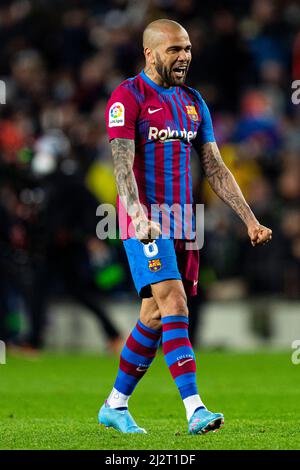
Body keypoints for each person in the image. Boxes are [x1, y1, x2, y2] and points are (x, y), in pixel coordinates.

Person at [98, 19, 272, 435]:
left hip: (185, 220)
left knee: (155, 316)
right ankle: (195, 409)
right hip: (146, 221)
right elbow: (121, 163)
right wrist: (136, 214)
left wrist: (249, 218)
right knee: (175, 303)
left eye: (188, 49)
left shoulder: (193, 102)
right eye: (174, 49)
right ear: (150, 52)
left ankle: (115, 405)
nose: (184, 57)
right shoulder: (128, 97)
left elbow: (214, 166)